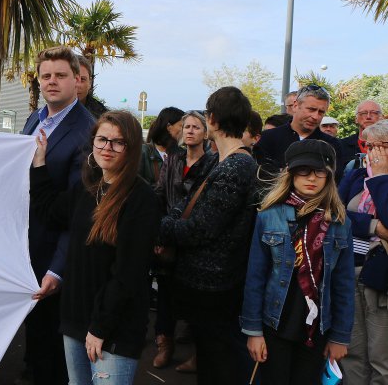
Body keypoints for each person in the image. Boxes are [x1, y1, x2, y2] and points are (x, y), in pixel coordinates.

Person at [31, 110, 159, 385]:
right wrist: (40, 163)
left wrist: (100, 328)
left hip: (113, 330)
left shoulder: (142, 199)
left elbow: (128, 274)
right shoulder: (87, 189)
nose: (107, 148)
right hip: (75, 321)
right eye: (102, 139)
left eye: (118, 142)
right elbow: (48, 209)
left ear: (132, 148)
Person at [160, 86, 259, 385]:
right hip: (209, 283)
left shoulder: (236, 167)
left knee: (220, 364)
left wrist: (161, 226)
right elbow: (185, 206)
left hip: (216, 287)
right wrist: (172, 219)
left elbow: (199, 229)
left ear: (212, 119)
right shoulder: (222, 161)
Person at [242, 140, 354, 384]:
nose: (311, 178)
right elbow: (255, 277)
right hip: (275, 324)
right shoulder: (269, 215)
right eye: (303, 170)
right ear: (290, 173)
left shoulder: (339, 222)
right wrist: (253, 332)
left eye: (319, 171)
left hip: (318, 327)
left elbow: (343, 284)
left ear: (329, 176)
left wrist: (340, 337)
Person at [20, 45, 96, 385]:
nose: (52, 82)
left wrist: (58, 269)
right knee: (35, 343)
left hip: (58, 260)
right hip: (26, 250)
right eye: (46, 75)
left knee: (56, 354)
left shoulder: (88, 132)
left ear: (77, 80)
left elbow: (80, 213)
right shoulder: (34, 119)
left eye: (61, 75)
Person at [152, 110, 217, 371]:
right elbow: (159, 194)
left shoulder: (213, 162)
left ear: (205, 132)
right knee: (166, 295)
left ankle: (197, 355)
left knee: (194, 299)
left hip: (195, 240)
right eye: (186, 126)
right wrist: (158, 233)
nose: (189, 130)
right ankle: (164, 346)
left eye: (196, 127)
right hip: (169, 237)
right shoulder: (173, 159)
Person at [338, 119, 388, 384]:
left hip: (380, 278)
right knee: (353, 351)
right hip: (351, 268)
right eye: (369, 146)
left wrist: (381, 178)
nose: (374, 153)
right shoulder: (357, 176)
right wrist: (373, 225)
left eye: (381, 147)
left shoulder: (378, 179)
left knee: (382, 356)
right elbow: (334, 214)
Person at [254, 85, 345, 181]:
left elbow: (334, 181)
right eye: (311, 109)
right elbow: (261, 176)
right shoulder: (269, 138)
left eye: (321, 112)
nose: (315, 116)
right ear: (295, 106)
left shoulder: (332, 145)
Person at [139, 107, 184, 186]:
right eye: (182, 126)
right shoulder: (143, 151)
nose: (185, 130)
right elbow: (136, 184)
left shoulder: (182, 154)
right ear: (169, 127)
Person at [341, 100, 383, 170]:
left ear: (381, 117)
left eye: (374, 113)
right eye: (364, 113)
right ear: (356, 119)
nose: (368, 117)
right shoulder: (341, 146)